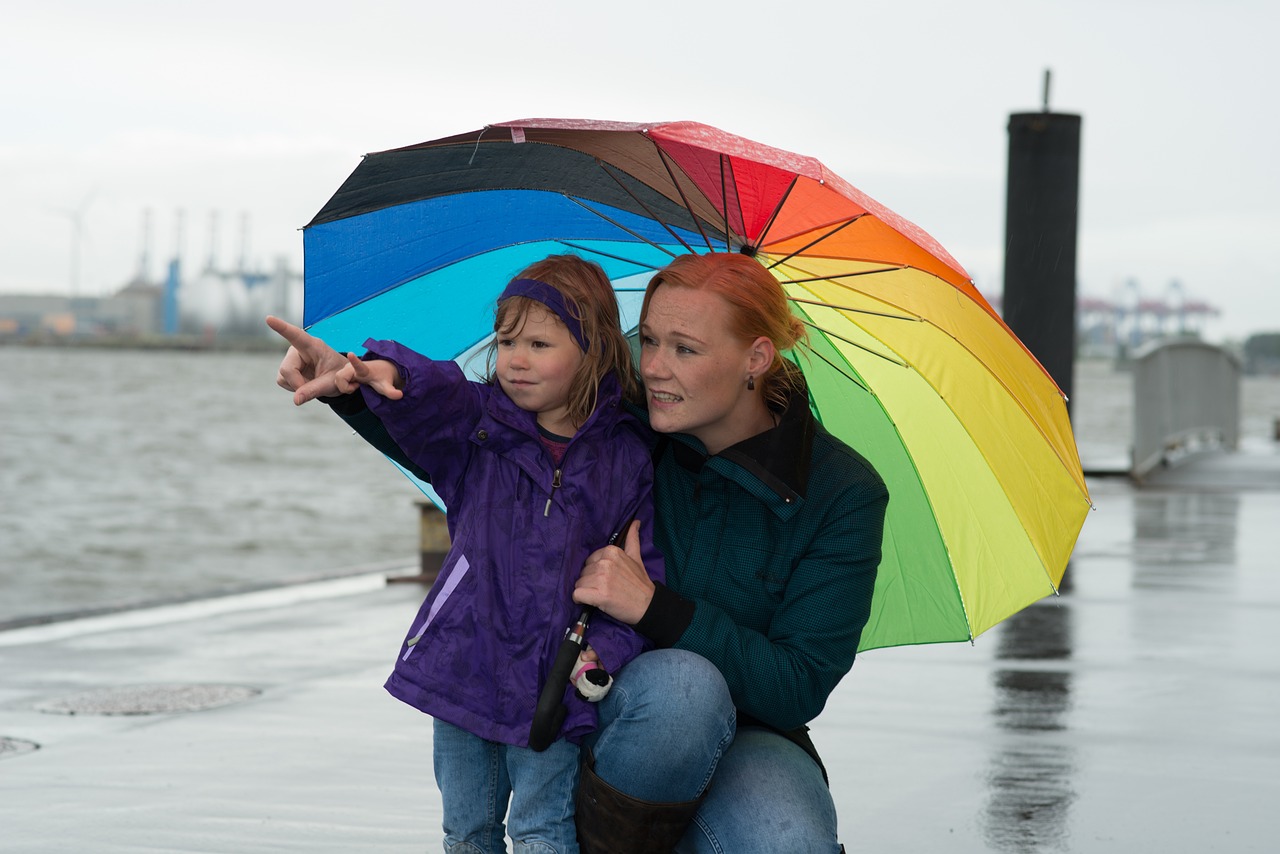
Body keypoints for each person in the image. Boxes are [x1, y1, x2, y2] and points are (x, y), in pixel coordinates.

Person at [275, 252, 888, 854]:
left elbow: (797, 685)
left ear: (755, 357)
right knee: (681, 691)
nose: (654, 369)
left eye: (685, 349)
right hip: (600, 699)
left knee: (785, 839)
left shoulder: (841, 492)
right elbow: (484, 452)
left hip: (753, 732)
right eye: (647, 341)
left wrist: (652, 607)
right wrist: (352, 389)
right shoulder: (620, 426)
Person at [268, 254, 665, 854]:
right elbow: (429, 392)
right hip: (465, 662)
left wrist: (600, 655)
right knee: (467, 830)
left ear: (594, 349)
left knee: (542, 829)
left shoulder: (627, 457)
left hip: (552, 682)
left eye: (539, 342)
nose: (517, 358)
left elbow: (641, 573)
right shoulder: (477, 428)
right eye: (506, 341)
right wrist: (377, 368)